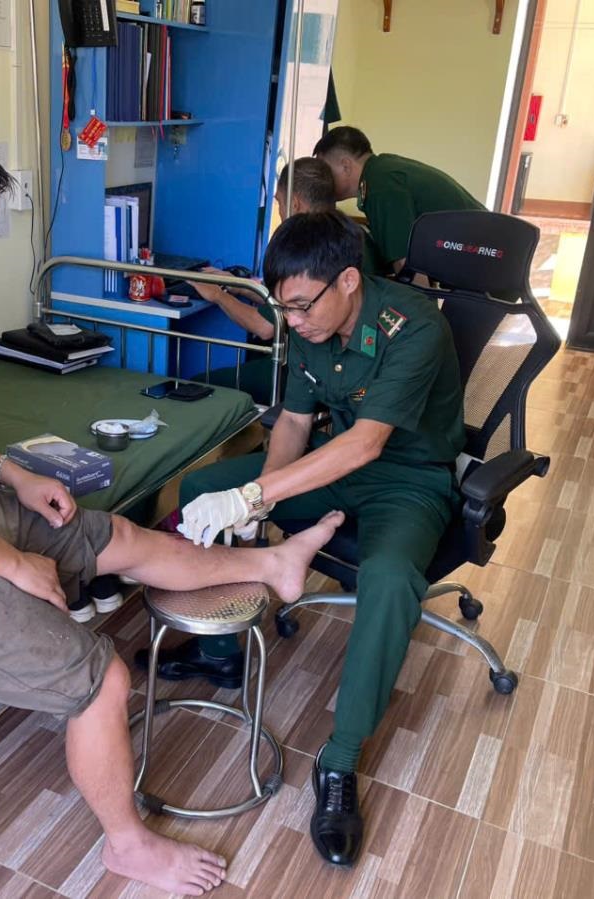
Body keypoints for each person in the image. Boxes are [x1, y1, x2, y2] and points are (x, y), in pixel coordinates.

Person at [0, 124, 346, 897]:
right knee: (102, 679)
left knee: (117, 535)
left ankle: (272, 562)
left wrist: (12, 473)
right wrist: (16, 564)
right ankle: (127, 845)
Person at [142, 211, 465, 867]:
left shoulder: (413, 327)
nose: (290, 322)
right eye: (281, 307)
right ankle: (222, 652)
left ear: (348, 279)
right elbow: (293, 422)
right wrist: (258, 495)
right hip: (328, 465)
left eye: (300, 306)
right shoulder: (311, 322)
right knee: (201, 490)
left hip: (406, 480)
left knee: (389, 577)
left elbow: (366, 443)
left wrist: (257, 498)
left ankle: (339, 761)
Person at [186, 157, 338, 403]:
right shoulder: (345, 235)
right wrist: (242, 287)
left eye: (279, 202)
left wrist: (217, 295)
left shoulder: (304, 245)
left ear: (295, 203)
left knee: (197, 384)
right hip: (333, 365)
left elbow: (264, 327)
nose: (280, 210)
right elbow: (287, 302)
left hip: (301, 370)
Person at [314, 125, 484, 275]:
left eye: (324, 170)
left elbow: (408, 269)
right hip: (485, 252)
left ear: (346, 166)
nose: (321, 179)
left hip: (481, 258)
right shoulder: (382, 169)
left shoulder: (380, 186)